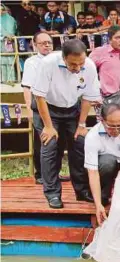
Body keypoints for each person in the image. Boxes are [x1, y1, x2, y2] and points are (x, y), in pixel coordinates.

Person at [31, 39, 100, 209]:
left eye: (80, 63)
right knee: (50, 146)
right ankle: (52, 193)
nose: (77, 68)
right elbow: (39, 96)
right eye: (72, 64)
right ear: (63, 57)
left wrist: (82, 124)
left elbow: (88, 97)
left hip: (72, 109)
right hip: (48, 109)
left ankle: (82, 190)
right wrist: (48, 126)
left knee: (79, 144)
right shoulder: (48, 63)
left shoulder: (89, 66)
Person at [21, 32, 69, 185]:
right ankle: (41, 174)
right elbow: (27, 87)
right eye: (42, 43)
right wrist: (29, 109)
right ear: (34, 45)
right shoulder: (32, 62)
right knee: (43, 141)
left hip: (57, 105)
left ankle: (54, 173)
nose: (47, 45)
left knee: (59, 141)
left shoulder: (58, 58)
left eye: (49, 42)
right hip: (39, 105)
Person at [0, 4, 17, 84]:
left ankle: (11, 79)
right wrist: (3, 37)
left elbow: (14, 29)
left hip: (9, 42)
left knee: (10, 60)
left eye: (2, 9)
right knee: (2, 62)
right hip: (1, 42)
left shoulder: (11, 19)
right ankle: (2, 79)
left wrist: (10, 36)